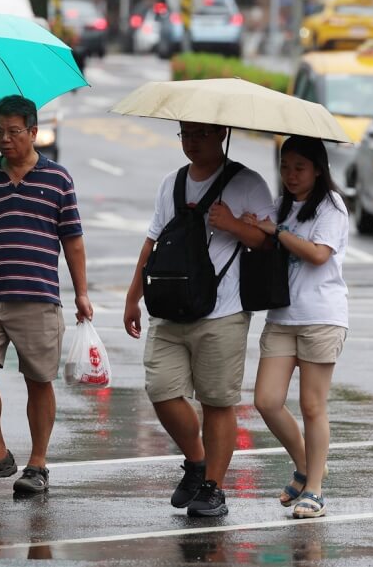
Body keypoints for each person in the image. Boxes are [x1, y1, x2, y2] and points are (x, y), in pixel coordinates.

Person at [123, 122, 273, 517]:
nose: (192, 142)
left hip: (222, 311)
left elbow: (266, 240)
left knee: (217, 401)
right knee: (161, 390)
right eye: (186, 134)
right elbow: (152, 242)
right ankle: (195, 460)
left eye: (201, 134)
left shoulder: (247, 182)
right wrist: (131, 297)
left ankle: (213, 488)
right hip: (169, 308)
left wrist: (233, 225)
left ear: (222, 133)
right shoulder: (170, 183)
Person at [0, 94, 93, 495]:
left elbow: (73, 240)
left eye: (14, 131)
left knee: (38, 380)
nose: (4, 139)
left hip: (38, 294)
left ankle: (38, 464)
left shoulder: (58, 178)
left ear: (34, 132)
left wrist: (81, 293)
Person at [244, 135, 349, 519]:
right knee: (266, 401)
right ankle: (306, 467)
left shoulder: (331, 206)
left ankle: (315, 491)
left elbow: (319, 256)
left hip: (322, 316)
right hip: (283, 316)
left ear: (318, 169)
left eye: (299, 167)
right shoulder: (281, 205)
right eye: (285, 166)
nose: (290, 174)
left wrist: (276, 232)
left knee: (311, 405)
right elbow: (262, 241)